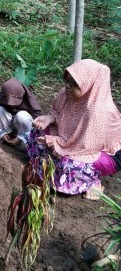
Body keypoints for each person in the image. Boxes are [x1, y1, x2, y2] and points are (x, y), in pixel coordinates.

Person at [30, 59, 121, 200]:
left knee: (70, 165)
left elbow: (85, 148)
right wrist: (50, 118)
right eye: (66, 81)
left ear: (89, 85)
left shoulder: (97, 110)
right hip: (71, 141)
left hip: (100, 151)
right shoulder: (66, 94)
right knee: (37, 134)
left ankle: (93, 182)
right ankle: (52, 165)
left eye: (74, 84)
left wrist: (56, 143)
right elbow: (60, 115)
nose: (67, 86)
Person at [0, 77, 42, 150]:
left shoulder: (30, 102)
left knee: (22, 116)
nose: (12, 105)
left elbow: (38, 126)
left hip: (22, 130)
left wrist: (21, 138)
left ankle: (23, 142)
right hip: (6, 127)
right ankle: (6, 136)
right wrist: (1, 134)